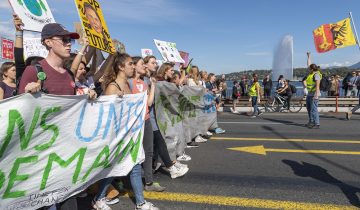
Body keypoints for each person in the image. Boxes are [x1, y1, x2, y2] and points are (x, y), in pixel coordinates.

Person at [18, 22, 97, 210]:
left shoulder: (69, 75)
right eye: (63, 40)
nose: (69, 43)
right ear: (48, 42)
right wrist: (27, 94)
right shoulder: (34, 71)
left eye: (69, 40)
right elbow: (18, 116)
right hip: (41, 156)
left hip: (65, 154)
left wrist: (87, 97)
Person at [94, 53, 159, 210]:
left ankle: (140, 203)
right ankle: (98, 198)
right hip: (117, 137)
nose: (133, 66)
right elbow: (107, 116)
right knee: (114, 169)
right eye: (130, 64)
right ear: (121, 67)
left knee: (135, 167)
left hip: (130, 135)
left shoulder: (128, 85)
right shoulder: (112, 87)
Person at [129, 56, 165, 192]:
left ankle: (149, 182)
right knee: (132, 153)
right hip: (134, 123)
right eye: (142, 64)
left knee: (148, 151)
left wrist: (153, 85)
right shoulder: (128, 82)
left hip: (146, 119)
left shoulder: (144, 83)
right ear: (134, 66)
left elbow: (149, 103)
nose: (144, 66)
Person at [303, 52, 321, 129]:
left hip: (314, 94)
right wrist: (309, 56)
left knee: (314, 109)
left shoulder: (316, 74)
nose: (308, 69)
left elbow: (317, 85)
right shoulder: (311, 73)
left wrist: (316, 95)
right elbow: (309, 64)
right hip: (309, 94)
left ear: (312, 69)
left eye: (309, 68)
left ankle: (317, 123)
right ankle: (311, 121)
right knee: (309, 108)